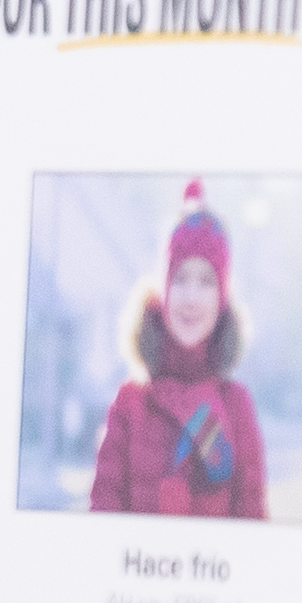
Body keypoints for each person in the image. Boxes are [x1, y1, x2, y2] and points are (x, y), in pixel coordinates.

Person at [84, 183, 268, 517]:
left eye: (207, 281)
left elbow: (252, 521)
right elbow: (103, 515)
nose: (191, 297)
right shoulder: (129, 404)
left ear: (222, 299)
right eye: (180, 278)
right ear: (164, 290)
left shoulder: (236, 406)